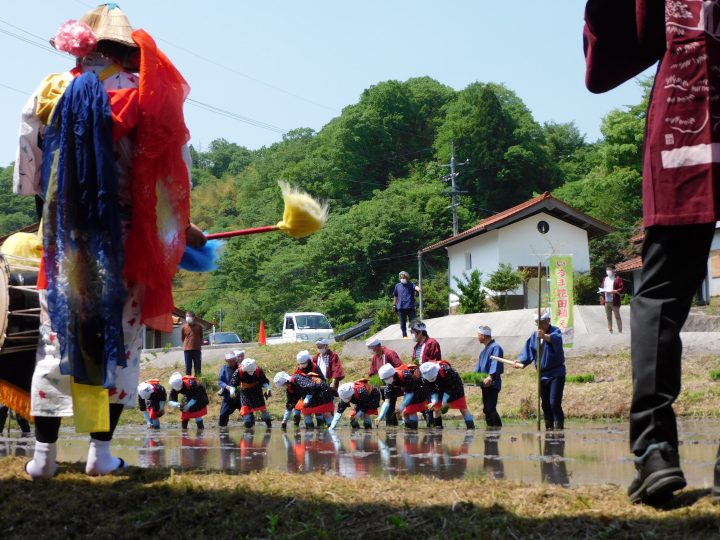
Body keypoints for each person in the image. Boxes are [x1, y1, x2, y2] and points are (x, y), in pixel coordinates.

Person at [16, 4, 203, 479]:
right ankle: (101, 454)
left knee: (58, 342)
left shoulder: (48, 90)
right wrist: (181, 227)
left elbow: (28, 176)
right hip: (124, 240)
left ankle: (42, 458)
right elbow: (168, 177)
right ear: (128, 49)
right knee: (119, 342)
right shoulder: (146, 95)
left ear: (83, 45)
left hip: (64, 240)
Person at [583, 0, 720, 503]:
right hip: (695, 111)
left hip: (693, 111)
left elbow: (617, 49)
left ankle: (656, 451)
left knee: (660, 295)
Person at [513, 311, 566, 431]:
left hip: (556, 374)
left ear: (548, 321)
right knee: (545, 404)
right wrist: (520, 361)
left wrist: (544, 336)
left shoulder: (555, 331)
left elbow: (555, 339)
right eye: (538, 323)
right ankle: (549, 428)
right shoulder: (534, 336)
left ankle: (559, 429)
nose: (540, 325)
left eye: (542, 322)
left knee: (554, 403)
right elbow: (528, 352)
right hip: (542, 375)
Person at [419, 361, 475, 430]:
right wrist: (434, 401)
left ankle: (471, 429)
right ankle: (438, 431)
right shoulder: (424, 378)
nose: (432, 379)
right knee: (436, 409)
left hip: (455, 387)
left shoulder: (446, 370)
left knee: (463, 408)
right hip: (439, 388)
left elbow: (451, 386)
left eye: (433, 377)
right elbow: (431, 389)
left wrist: (445, 399)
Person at [377, 363, 428, 430]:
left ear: (391, 376)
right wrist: (380, 417)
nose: (384, 381)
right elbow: (387, 402)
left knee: (411, 410)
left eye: (385, 379)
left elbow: (410, 394)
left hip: (418, 388)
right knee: (406, 413)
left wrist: (401, 408)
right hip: (407, 391)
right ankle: (408, 430)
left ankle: (414, 430)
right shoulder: (389, 384)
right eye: (383, 379)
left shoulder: (407, 377)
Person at [230, 358, 272, 429]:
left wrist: (268, 388)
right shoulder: (238, 372)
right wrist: (232, 391)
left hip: (257, 391)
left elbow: (264, 381)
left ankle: (269, 426)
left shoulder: (258, 371)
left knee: (263, 409)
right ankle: (248, 428)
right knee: (246, 410)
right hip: (245, 392)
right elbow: (233, 383)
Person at [475, 325, 504, 427]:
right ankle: (491, 431)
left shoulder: (496, 347)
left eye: (478, 335)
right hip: (484, 384)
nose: (477, 337)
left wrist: (491, 377)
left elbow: (495, 364)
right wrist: (472, 378)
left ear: (483, 335)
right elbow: (478, 368)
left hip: (492, 383)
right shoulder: (483, 351)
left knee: (491, 408)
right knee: (486, 409)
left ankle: (497, 430)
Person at [393, 271, 421, 338]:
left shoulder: (411, 284)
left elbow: (417, 288)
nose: (402, 278)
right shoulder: (397, 286)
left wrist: (418, 289)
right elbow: (395, 296)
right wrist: (394, 305)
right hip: (401, 307)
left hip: (410, 307)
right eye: (401, 277)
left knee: (414, 321)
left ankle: (414, 334)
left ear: (407, 278)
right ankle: (404, 335)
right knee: (403, 322)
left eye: (404, 277)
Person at [217, 351, 241, 428]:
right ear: (226, 361)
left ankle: (250, 429)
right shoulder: (224, 369)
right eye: (229, 361)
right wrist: (227, 387)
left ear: (236, 359)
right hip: (228, 396)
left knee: (247, 416)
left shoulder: (241, 368)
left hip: (240, 397)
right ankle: (223, 432)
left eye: (232, 360)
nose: (231, 362)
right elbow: (220, 381)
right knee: (223, 415)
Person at [599, 265, 624, 334]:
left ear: (614, 270)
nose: (608, 271)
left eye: (609, 269)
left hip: (614, 301)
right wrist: (602, 291)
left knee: (617, 316)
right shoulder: (605, 279)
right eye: (607, 269)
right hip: (606, 301)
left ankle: (620, 331)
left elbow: (621, 288)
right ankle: (610, 330)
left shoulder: (618, 278)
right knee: (608, 317)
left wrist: (615, 291)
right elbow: (602, 287)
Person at [181, 310, 203, 376]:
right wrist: (187, 344)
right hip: (187, 350)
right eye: (186, 316)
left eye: (189, 316)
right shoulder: (183, 327)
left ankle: (198, 382)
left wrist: (198, 344)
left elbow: (201, 337)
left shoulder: (199, 327)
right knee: (188, 367)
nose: (187, 317)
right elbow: (183, 338)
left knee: (198, 367)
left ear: (194, 317)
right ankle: (188, 382)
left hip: (197, 349)